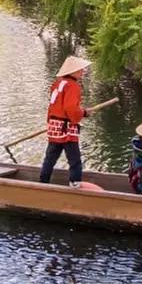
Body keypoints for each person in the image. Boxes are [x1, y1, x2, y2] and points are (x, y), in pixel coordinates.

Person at [39, 55, 93, 186]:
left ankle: (42, 183)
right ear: (71, 71)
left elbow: (54, 106)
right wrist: (84, 113)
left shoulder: (57, 84)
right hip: (66, 128)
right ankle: (75, 185)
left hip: (54, 126)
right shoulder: (72, 86)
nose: (82, 72)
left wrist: (50, 123)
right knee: (75, 161)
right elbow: (70, 108)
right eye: (79, 70)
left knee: (50, 158)